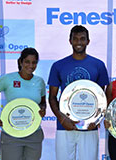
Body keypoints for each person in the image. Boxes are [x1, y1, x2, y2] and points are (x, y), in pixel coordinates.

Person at [47, 25, 109, 160]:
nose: (79, 42)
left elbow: (101, 98)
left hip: (89, 127)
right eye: (75, 39)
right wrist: (62, 119)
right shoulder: (58, 66)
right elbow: (52, 97)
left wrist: (96, 119)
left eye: (82, 39)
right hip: (65, 126)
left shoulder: (98, 65)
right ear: (70, 41)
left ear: (88, 41)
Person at [0, 47, 46, 160]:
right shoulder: (7, 79)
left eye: (34, 62)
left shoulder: (39, 81)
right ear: (21, 62)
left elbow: (42, 102)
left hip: (34, 133)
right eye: (27, 61)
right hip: (11, 134)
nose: (31, 65)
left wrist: (43, 109)